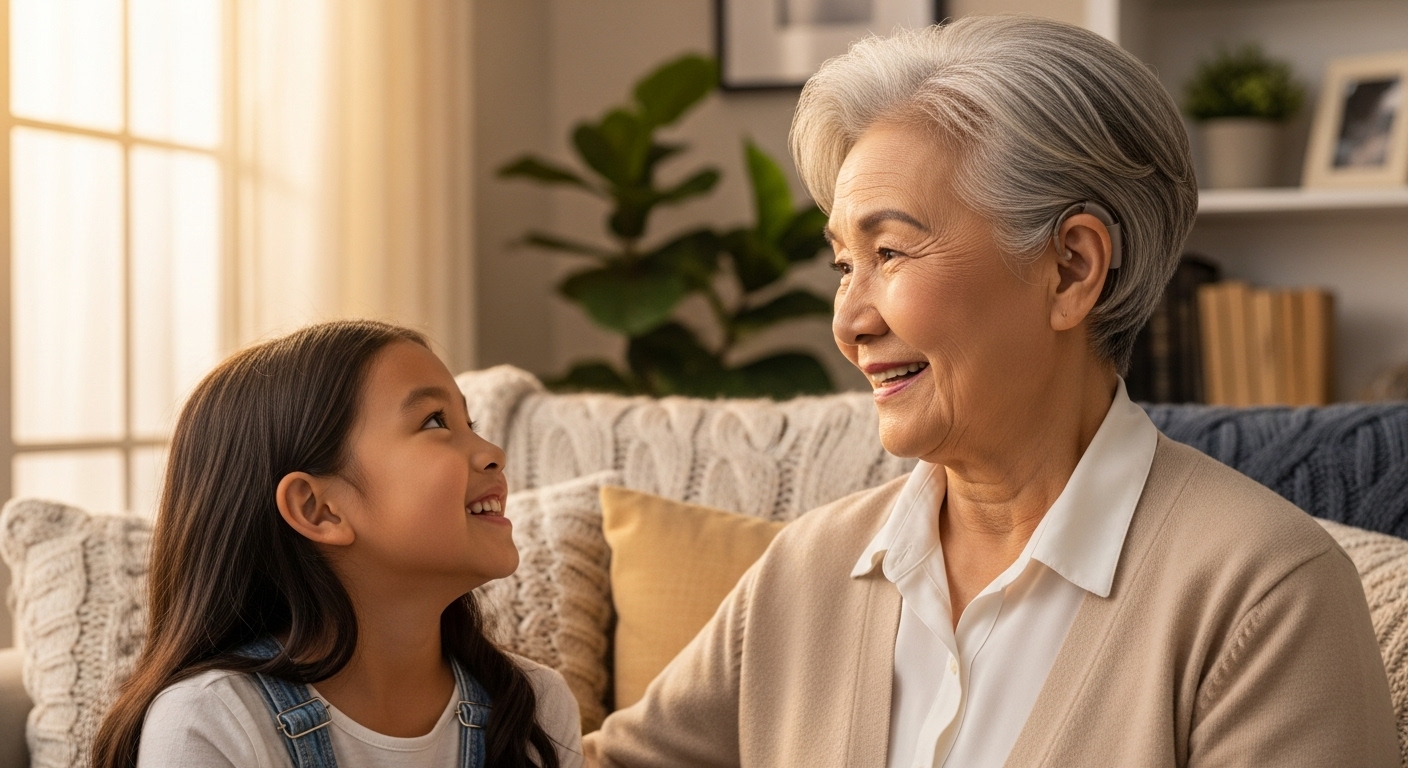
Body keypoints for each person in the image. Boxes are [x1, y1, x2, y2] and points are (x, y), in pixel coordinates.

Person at [584, 15, 1399, 768]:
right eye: (843, 264)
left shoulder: (1266, 597)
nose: (849, 320)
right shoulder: (807, 571)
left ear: (1072, 268)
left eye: (892, 252)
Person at [92, 320, 583, 768]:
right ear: (318, 509)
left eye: (468, 424)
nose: (493, 453)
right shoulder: (210, 721)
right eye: (435, 422)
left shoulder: (534, 705)